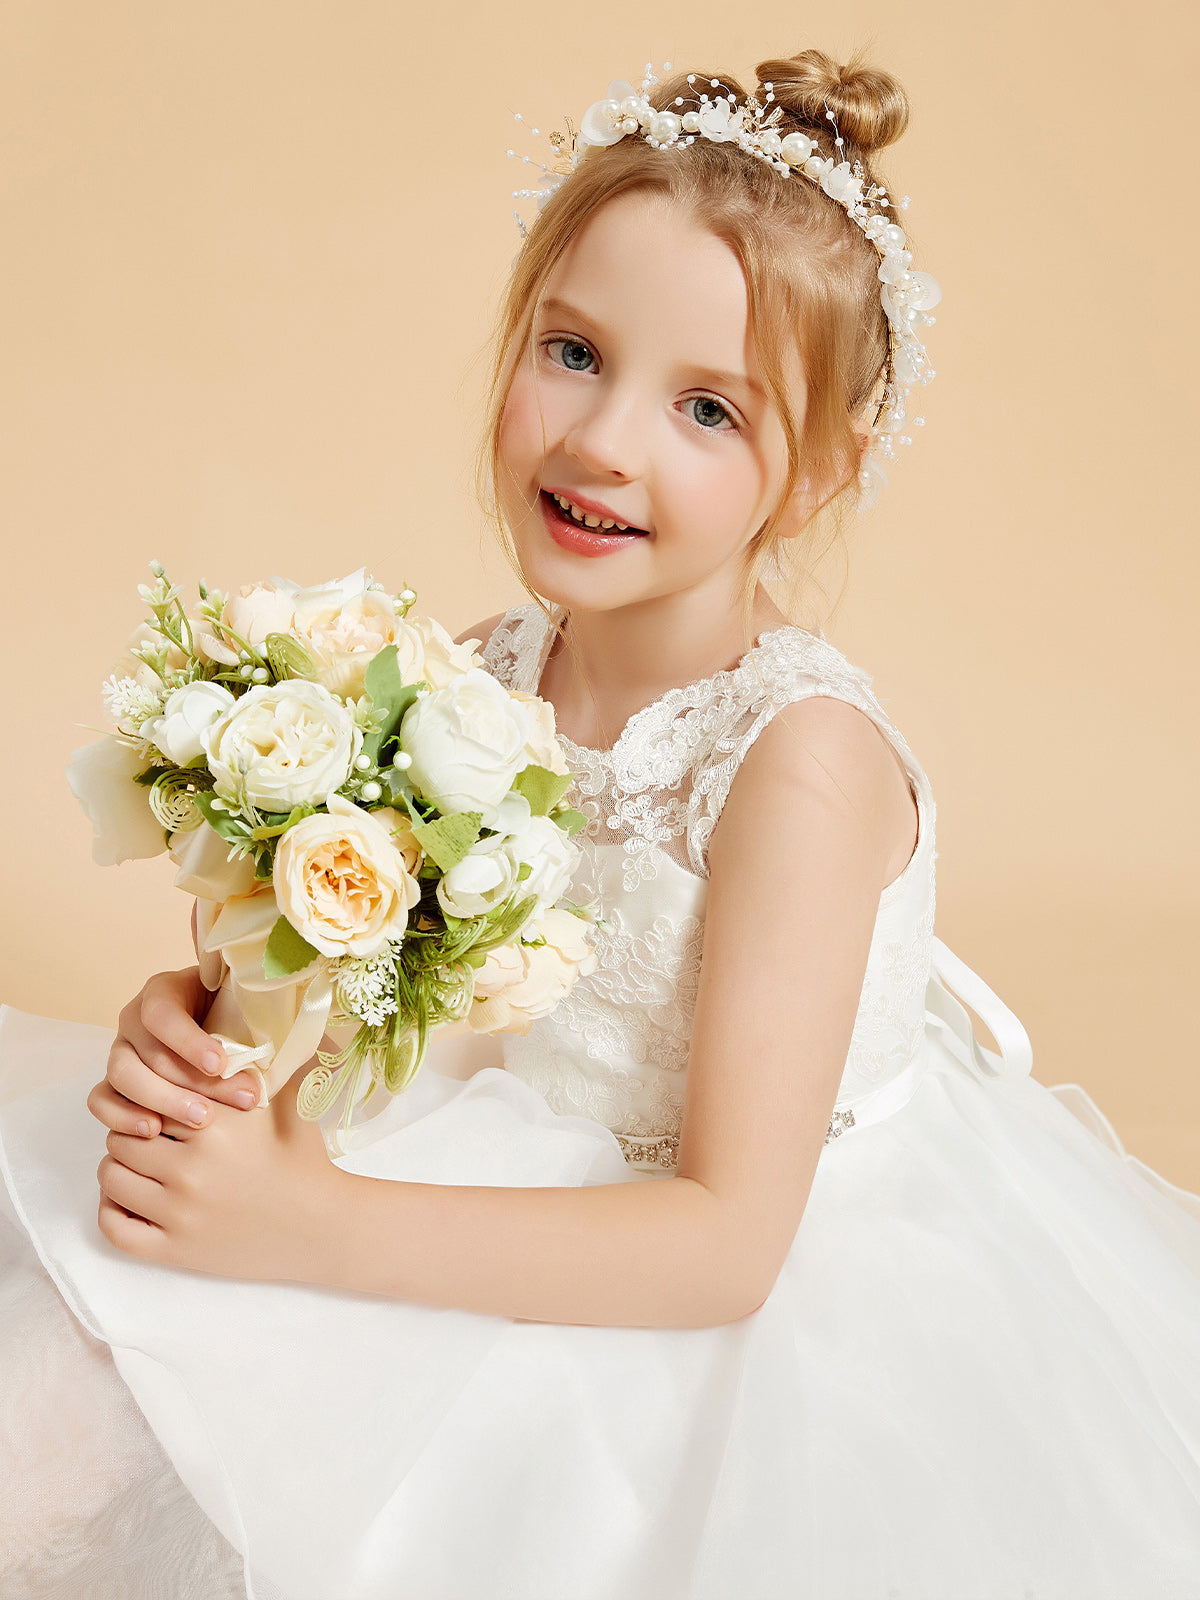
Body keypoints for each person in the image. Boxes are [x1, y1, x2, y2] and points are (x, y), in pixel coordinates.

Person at [2, 44, 1199, 1600]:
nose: (605, 444)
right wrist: (223, 1020)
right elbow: (399, 976)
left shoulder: (797, 764)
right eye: (573, 352)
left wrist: (309, 1227)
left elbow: (722, 1247)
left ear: (818, 472)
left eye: (709, 408)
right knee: (85, 1358)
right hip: (479, 1155)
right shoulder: (490, 670)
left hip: (702, 1256)